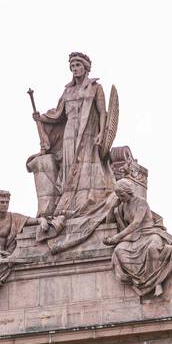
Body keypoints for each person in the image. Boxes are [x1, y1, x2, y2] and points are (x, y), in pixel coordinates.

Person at [29, 52, 117, 252]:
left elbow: (102, 112)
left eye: (78, 65)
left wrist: (102, 133)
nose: (75, 68)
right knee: (70, 168)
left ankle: (86, 201)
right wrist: (41, 118)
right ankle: (69, 203)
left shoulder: (95, 87)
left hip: (87, 131)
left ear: (85, 67)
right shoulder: (67, 92)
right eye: (72, 66)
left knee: (87, 166)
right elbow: (58, 114)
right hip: (69, 133)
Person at [105, 178, 172, 298]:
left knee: (152, 249)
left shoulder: (141, 202)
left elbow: (136, 223)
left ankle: (157, 282)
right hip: (134, 238)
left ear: (128, 191)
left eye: (121, 194)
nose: (120, 197)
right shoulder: (122, 206)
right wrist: (113, 206)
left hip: (149, 233)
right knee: (119, 250)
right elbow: (108, 221)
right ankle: (140, 281)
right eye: (118, 195)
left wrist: (116, 237)